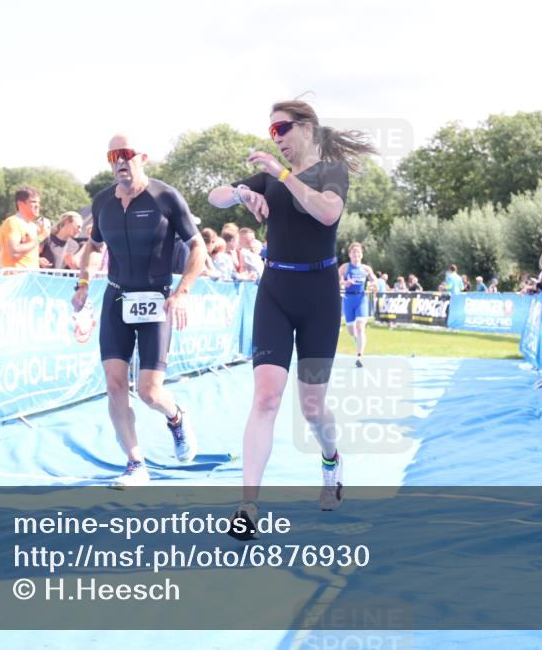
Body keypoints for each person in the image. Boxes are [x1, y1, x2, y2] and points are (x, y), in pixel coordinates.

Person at [208, 98, 375, 537]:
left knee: (312, 407)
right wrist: (244, 191)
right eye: (271, 133)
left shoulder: (330, 171)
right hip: (276, 290)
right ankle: (248, 507)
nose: (276, 139)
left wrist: (281, 176)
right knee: (266, 397)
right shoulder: (266, 174)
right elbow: (216, 196)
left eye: (281, 129)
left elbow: (327, 212)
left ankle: (331, 460)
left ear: (307, 128)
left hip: (319, 296)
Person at [71, 134, 207, 486]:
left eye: (125, 155)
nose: (119, 162)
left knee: (148, 392)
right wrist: (83, 284)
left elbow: (198, 248)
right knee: (115, 386)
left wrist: (182, 292)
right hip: (116, 297)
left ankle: (176, 418)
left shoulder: (165, 197)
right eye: (112, 155)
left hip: (157, 300)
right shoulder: (102, 202)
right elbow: (94, 246)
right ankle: (135, 463)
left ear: (141, 157)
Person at [339, 242, 378, 368]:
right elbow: (336, 281)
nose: (356, 254)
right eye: (354, 252)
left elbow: (374, 280)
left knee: (360, 327)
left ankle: (360, 355)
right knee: (351, 331)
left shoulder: (366, 269)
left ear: (362, 254)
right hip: (348, 299)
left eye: (358, 252)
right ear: (350, 254)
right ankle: (358, 345)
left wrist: (373, 284)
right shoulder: (345, 267)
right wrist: (345, 283)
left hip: (361, 299)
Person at [0, 187, 47, 270]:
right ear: (20, 204)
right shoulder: (13, 222)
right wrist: (42, 236)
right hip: (15, 278)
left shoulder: (33, 226)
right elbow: (14, 253)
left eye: (38, 203)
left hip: (31, 277)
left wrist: (36, 259)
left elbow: (27, 252)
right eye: (33, 202)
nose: (37, 206)